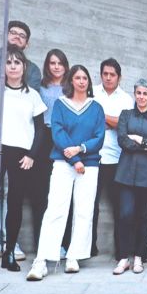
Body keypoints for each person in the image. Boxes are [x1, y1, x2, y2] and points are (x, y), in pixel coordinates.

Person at [26, 65, 105, 281]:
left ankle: (73, 256)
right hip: (63, 163)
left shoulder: (96, 107)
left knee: (84, 211)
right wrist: (74, 159)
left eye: (85, 78)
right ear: (71, 81)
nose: (81, 81)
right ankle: (41, 260)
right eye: (77, 78)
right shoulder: (61, 104)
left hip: (89, 165)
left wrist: (80, 150)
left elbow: (99, 137)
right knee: (55, 210)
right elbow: (58, 134)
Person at [0, 46, 46, 275]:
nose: (13, 66)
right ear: (2, 66)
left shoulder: (32, 95)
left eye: (17, 62)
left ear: (24, 67)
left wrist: (32, 155)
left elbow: (40, 129)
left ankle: (9, 253)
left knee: (15, 203)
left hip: (20, 154)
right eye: (8, 62)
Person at [113, 79, 147, 275]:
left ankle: (138, 257)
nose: (141, 97)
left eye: (145, 93)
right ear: (134, 95)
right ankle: (123, 257)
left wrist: (138, 139)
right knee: (125, 214)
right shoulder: (125, 115)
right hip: (126, 173)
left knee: (143, 217)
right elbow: (122, 140)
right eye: (139, 93)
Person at [93, 58, 134, 261]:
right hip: (92, 157)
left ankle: (121, 251)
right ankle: (88, 248)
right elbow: (88, 121)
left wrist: (101, 117)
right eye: (105, 74)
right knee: (89, 206)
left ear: (119, 77)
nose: (108, 78)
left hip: (117, 159)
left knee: (120, 208)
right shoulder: (92, 93)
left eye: (112, 74)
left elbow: (125, 125)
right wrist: (113, 121)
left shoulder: (126, 99)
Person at [30, 48, 69, 247]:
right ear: (47, 65)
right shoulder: (39, 87)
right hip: (43, 137)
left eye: (60, 63)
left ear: (65, 66)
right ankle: (42, 243)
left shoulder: (70, 88)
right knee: (40, 192)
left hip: (64, 138)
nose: (56, 67)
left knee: (62, 193)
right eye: (52, 63)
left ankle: (63, 244)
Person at [0, 20, 42, 92]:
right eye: (13, 33)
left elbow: (30, 95)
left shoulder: (33, 70)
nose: (17, 36)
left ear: (27, 44)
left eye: (22, 36)